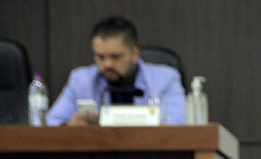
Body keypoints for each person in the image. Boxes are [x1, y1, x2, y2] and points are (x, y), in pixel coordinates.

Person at [47, 15, 186, 126]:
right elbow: (51, 123)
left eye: (115, 57)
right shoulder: (81, 80)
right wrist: (69, 126)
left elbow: (177, 125)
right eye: (100, 57)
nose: (107, 64)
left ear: (134, 54)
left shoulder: (165, 79)